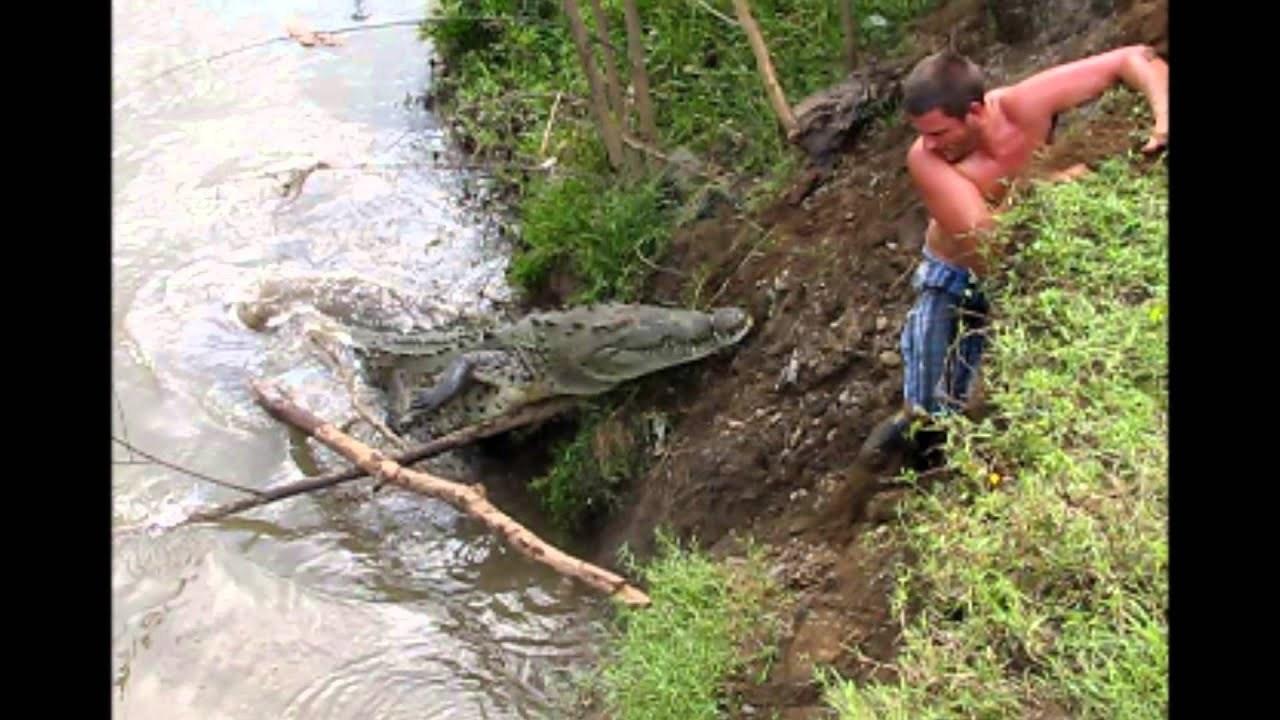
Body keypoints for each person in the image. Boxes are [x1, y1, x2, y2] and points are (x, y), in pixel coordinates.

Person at [856, 44, 1169, 471]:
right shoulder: (925, 160)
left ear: (975, 111)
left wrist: (1163, 117)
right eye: (922, 133)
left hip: (1032, 266)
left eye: (939, 132)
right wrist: (1043, 185)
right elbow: (987, 244)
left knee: (1046, 372)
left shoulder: (1024, 104)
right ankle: (904, 452)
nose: (928, 144)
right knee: (929, 409)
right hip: (955, 275)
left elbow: (1136, 58)